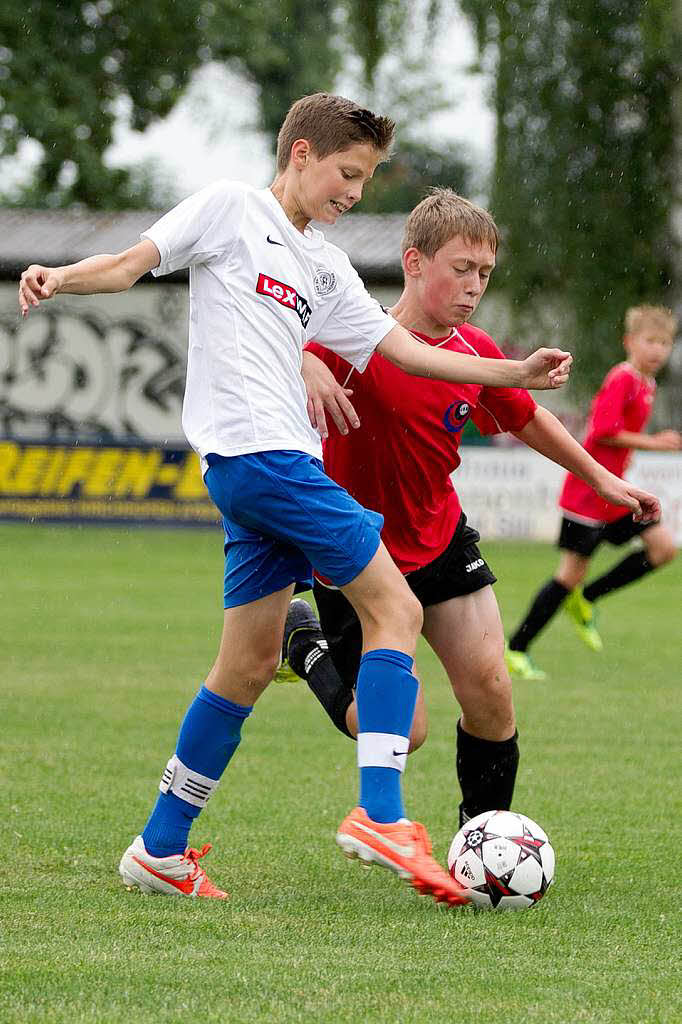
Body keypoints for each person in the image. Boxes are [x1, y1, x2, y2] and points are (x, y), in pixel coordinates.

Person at [19, 94, 575, 906]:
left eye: (367, 180)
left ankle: (160, 848)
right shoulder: (230, 209)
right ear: (302, 154)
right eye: (348, 174)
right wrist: (60, 276)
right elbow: (135, 261)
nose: (355, 193)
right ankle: (380, 814)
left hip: (260, 472)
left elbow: (408, 355)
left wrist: (514, 373)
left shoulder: (325, 267)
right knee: (399, 609)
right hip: (264, 456)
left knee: (244, 664)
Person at [278, 189, 660, 828]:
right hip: (358, 553)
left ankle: (483, 842)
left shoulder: (476, 351)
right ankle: (306, 646)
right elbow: (267, 341)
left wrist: (599, 479)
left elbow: (528, 417)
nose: (475, 285)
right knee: (406, 728)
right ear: (415, 262)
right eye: (461, 268)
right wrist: (302, 362)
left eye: (484, 273)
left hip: (440, 539)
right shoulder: (347, 334)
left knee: (491, 691)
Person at [507, 305, 678, 679]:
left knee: (663, 547)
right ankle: (516, 649)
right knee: (568, 574)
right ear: (629, 341)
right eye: (650, 340)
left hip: (614, 498)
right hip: (587, 495)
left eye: (665, 342)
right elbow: (602, 431)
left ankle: (587, 597)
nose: (658, 349)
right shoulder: (623, 378)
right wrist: (655, 443)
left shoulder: (647, 384)